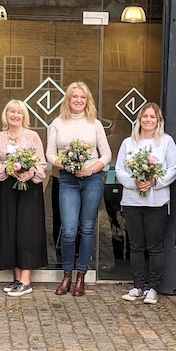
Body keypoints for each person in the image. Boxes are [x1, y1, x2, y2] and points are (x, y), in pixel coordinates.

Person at [45, 81, 112, 297]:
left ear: (87, 100)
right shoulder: (58, 123)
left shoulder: (95, 124)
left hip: (92, 180)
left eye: (82, 97)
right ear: (68, 99)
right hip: (68, 180)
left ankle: (81, 276)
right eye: (75, 96)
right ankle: (67, 275)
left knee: (88, 228)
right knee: (69, 230)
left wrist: (91, 168)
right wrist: (65, 165)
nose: (78, 100)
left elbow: (107, 155)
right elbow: (50, 154)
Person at [114, 102, 176, 305]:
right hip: (132, 201)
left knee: (155, 246)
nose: (148, 120)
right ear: (139, 119)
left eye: (152, 117)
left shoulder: (166, 141)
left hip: (156, 202)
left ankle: (153, 288)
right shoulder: (128, 143)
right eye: (145, 116)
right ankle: (137, 286)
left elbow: (173, 168)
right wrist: (134, 182)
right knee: (136, 245)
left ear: (158, 121)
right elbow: (119, 169)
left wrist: (154, 182)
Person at [0, 100, 48, 297]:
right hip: (8, 187)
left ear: (24, 116)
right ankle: (17, 277)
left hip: (29, 188)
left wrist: (31, 172)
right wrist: (8, 169)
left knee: (27, 231)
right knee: (10, 229)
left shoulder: (32, 136)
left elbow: (41, 162)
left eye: (19, 112)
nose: (15, 115)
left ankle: (26, 280)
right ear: (6, 115)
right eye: (11, 112)